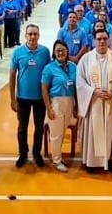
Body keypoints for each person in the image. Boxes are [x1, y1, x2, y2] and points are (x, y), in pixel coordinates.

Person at [76, 29, 112, 173]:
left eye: (105, 39)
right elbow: (80, 82)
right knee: (94, 132)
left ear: (109, 40)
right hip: (93, 104)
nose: (102, 42)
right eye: (99, 39)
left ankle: (110, 161)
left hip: (111, 103)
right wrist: (93, 92)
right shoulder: (85, 59)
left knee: (110, 132)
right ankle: (92, 163)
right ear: (94, 40)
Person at [9, 24, 51, 168]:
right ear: (25, 35)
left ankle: (37, 153)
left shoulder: (45, 52)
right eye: (30, 34)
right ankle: (23, 154)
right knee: (22, 128)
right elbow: (12, 75)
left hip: (40, 98)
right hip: (22, 98)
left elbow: (49, 74)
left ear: (38, 35)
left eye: (35, 34)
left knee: (39, 128)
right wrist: (12, 99)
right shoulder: (18, 53)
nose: (32, 37)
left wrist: (49, 98)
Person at [41, 40, 77, 173]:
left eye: (63, 50)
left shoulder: (73, 66)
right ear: (54, 53)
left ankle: (59, 156)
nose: (60, 53)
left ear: (67, 51)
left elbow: (76, 87)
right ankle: (56, 160)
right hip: (55, 102)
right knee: (56, 134)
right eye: (57, 51)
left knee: (63, 131)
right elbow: (44, 90)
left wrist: (76, 105)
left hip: (70, 101)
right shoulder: (49, 68)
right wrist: (49, 108)